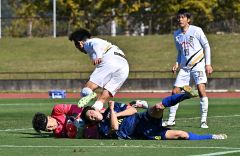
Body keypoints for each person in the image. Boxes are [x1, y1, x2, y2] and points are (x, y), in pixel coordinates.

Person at [80, 86, 227, 140]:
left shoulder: (116, 107)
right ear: (93, 121)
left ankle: (185, 95)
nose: (93, 116)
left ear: (95, 109)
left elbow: (132, 110)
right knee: (182, 134)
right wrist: (112, 111)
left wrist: (115, 113)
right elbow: (115, 128)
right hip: (145, 133)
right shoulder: (102, 128)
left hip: (141, 119)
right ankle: (212, 136)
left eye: (92, 112)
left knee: (158, 106)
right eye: (91, 118)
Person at [163, 9, 213, 129]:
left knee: (201, 90)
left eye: (183, 17)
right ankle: (171, 120)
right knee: (175, 92)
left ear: (188, 19)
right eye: (179, 17)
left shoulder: (196, 30)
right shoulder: (176, 34)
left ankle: (203, 121)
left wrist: (208, 64)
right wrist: (176, 63)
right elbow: (180, 52)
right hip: (185, 68)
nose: (180, 19)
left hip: (198, 65)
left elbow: (206, 46)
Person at [69, 28, 129, 111]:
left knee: (86, 90)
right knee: (102, 100)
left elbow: (96, 45)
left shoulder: (89, 42)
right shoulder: (101, 45)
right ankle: (93, 113)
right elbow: (95, 52)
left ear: (80, 43)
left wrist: (99, 56)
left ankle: (88, 98)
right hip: (124, 66)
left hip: (110, 59)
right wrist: (96, 57)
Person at [32, 100, 148, 138]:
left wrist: (77, 118)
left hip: (85, 115)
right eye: (47, 130)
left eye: (49, 125)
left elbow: (76, 108)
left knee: (105, 114)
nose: (51, 128)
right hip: (87, 129)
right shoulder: (57, 133)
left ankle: (131, 105)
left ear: (49, 117)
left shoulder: (57, 110)